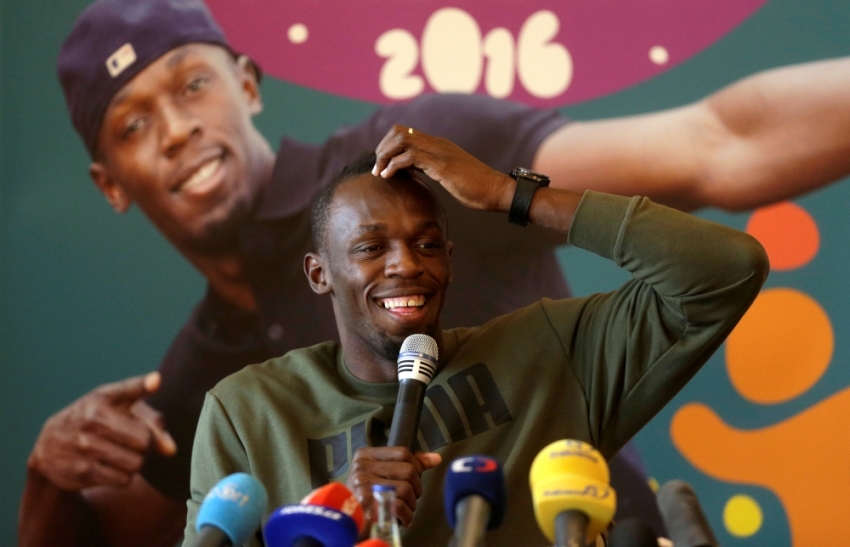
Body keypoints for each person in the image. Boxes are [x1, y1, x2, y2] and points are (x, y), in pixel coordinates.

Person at [18, 0, 850, 544]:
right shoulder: (210, 386)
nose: (175, 129)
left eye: (193, 84)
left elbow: (718, 146)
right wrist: (47, 475)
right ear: (108, 183)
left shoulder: (415, 165)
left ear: (247, 83)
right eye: (132, 123)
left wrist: (511, 193)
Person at [183, 129, 769, 546]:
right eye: (370, 248)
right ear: (319, 274)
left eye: (427, 243)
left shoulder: (549, 350)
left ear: (451, 261)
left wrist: (508, 194)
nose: (405, 265)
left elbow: (724, 270)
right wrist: (340, 508)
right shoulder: (248, 412)